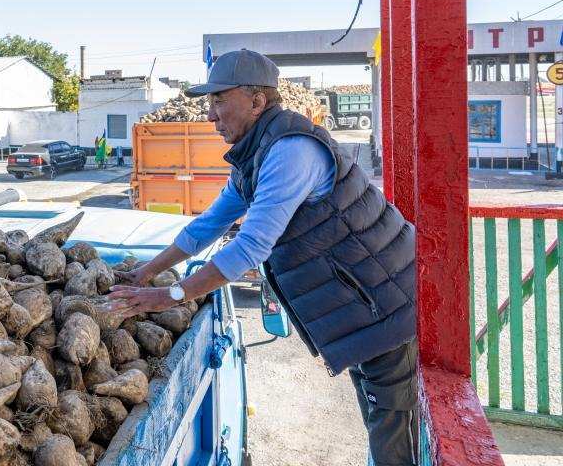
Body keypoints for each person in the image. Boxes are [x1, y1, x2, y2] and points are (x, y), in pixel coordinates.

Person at [108, 49, 417, 466]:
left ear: (257, 102)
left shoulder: (291, 152)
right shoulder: (252, 156)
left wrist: (172, 296)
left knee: (393, 432)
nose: (211, 115)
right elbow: (207, 226)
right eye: (209, 103)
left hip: (387, 306)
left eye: (220, 101)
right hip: (363, 311)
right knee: (379, 414)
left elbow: (252, 246)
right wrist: (146, 273)